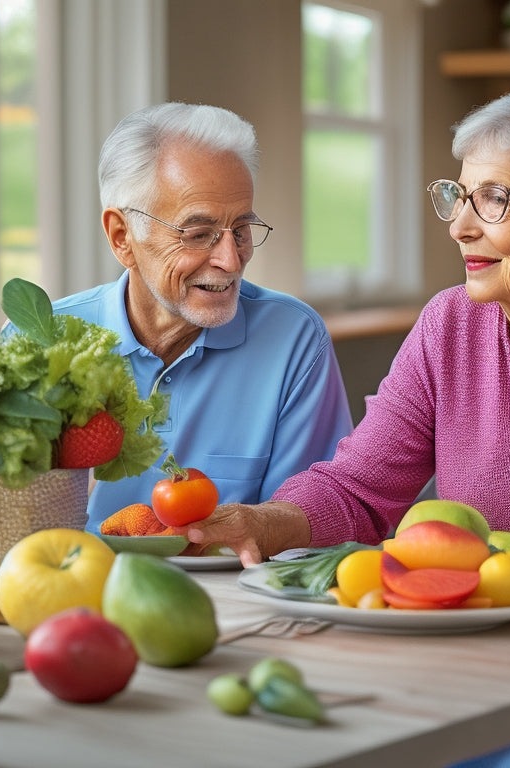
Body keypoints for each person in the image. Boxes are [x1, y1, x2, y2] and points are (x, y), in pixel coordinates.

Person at [179, 84, 510, 763]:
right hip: (474, 690)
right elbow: (361, 488)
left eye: (496, 199)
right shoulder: (449, 326)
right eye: (458, 194)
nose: (460, 225)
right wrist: (258, 522)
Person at [47, 102, 353, 533]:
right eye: (198, 235)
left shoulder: (294, 339)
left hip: (234, 598)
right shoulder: (42, 341)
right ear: (123, 238)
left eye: (241, 231)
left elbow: (306, 529)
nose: (230, 260)